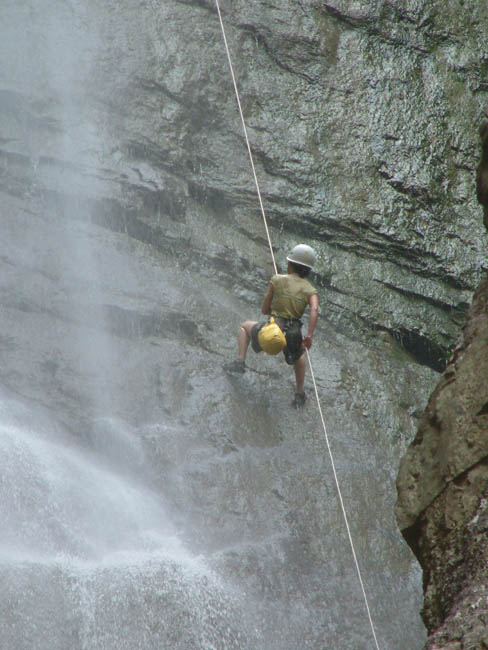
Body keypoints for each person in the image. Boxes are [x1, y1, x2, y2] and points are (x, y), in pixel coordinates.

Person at [224, 244, 319, 408]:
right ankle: (300, 393)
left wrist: (271, 311)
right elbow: (314, 310)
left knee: (244, 327)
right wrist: (309, 335)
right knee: (299, 357)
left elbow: (264, 309)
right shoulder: (311, 290)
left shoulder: (277, 280)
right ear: (308, 270)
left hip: (272, 330)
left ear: (290, 265)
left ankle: (240, 362)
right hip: (292, 333)